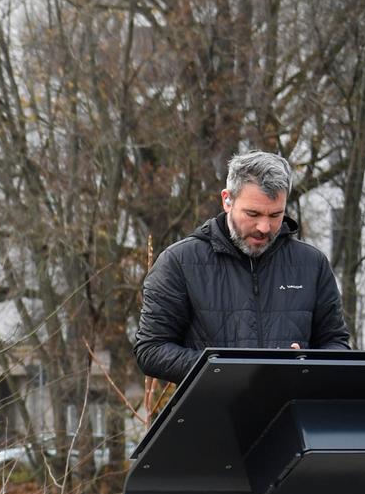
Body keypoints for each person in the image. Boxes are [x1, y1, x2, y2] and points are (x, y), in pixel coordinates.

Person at [131, 150, 350, 382]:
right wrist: (224, 370)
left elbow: (337, 344)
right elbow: (150, 349)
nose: (264, 227)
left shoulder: (312, 264)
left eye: (276, 215)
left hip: (292, 413)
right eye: (253, 213)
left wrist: (306, 365)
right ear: (227, 200)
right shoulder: (179, 262)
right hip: (212, 414)